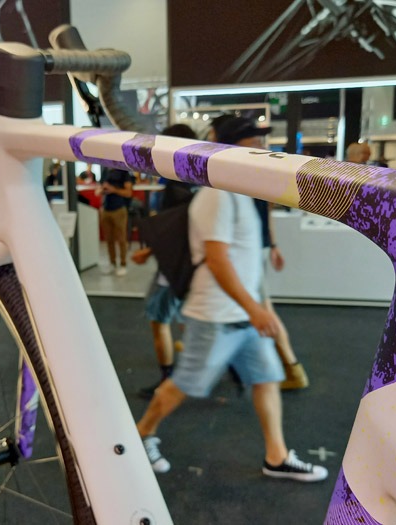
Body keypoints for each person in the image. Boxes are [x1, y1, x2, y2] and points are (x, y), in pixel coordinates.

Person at [135, 116, 328, 483]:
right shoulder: (217, 195)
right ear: (228, 147)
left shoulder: (240, 192)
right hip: (216, 316)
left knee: (267, 378)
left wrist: (255, 306)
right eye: (253, 143)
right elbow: (218, 260)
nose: (261, 149)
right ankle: (139, 437)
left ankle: (276, 456)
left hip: (241, 315)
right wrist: (255, 308)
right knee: (183, 385)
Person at [213, 115, 309, 391]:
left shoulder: (243, 171)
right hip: (250, 249)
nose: (259, 142)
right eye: (252, 137)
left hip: (249, 251)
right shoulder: (240, 171)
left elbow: (261, 211)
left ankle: (291, 368)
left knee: (262, 309)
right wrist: (273, 245)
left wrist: (271, 244)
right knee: (245, 306)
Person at [131, 123, 198, 399]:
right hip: (192, 264)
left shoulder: (176, 186)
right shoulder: (197, 178)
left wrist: (148, 251)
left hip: (174, 267)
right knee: (186, 318)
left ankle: (168, 382)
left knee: (159, 320)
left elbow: (175, 231)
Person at [96, 167, 134, 276]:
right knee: (109, 239)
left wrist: (114, 190)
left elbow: (128, 193)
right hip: (106, 209)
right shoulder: (105, 171)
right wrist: (102, 190)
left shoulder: (123, 172)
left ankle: (123, 264)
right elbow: (98, 190)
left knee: (121, 239)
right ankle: (112, 263)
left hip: (119, 209)